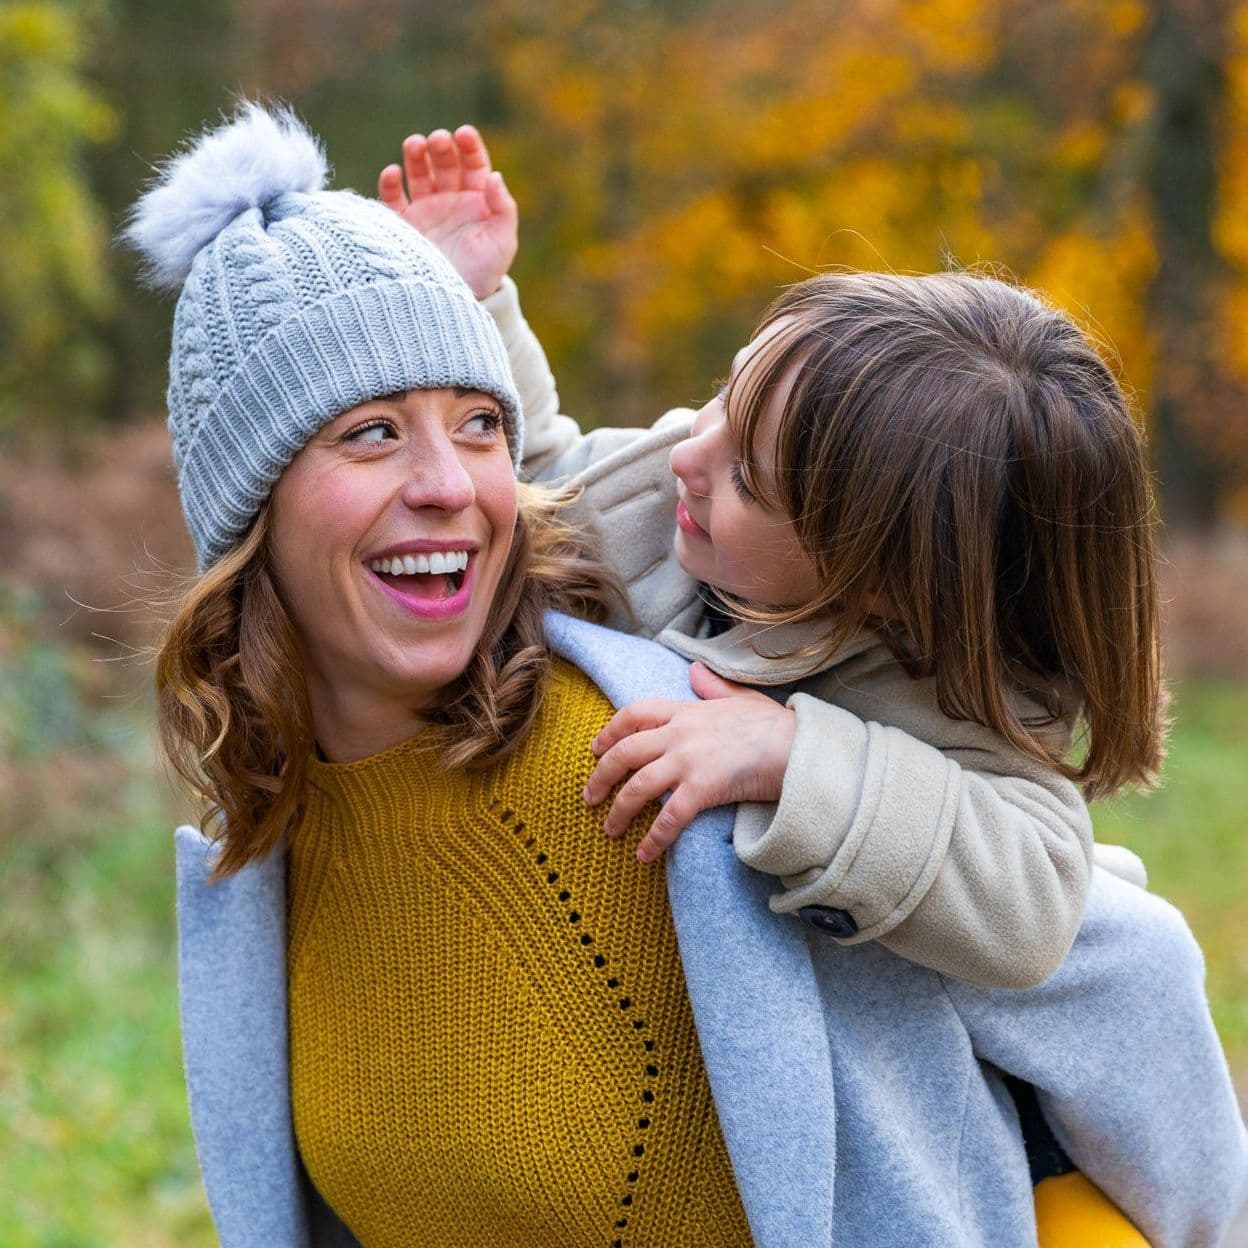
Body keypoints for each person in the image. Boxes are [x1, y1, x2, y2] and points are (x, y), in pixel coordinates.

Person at [132, 104, 1247, 1248]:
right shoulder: (663, 517)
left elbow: (1099, 953)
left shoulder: (874, 725)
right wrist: (476, 303)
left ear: (873, 584)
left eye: (749, 474)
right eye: (374, 432)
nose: (687, 456)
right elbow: (550, 466)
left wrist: (794, 761)